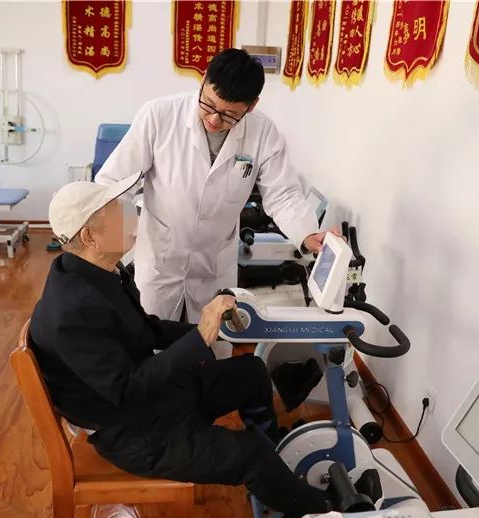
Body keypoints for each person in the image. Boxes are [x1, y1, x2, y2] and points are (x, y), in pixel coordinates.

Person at [29, 177, 329, 518]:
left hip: (153, 402)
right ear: (90, 236)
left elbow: (147, 329)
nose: (129, 214)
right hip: (133, 434)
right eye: (115, 211)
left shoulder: (99, 273)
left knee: (251, 371)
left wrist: (214, 330)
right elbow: (128, 391)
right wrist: (200, 337)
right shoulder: (72, 310)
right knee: (251, 453)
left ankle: (276, 471)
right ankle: (323, 513)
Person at [95, 48, 337, 336]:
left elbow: (282, 195)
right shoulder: (159, 115)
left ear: (251, 106)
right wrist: (109, 242)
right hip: (161, 263)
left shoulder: (263, 134)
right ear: (203, 81)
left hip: (213, 269)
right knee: (151, 345)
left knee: (210, 347)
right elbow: (114, 183)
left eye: (228, 115)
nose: (213, 120)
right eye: (208, 105)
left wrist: (308, 233)